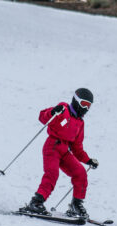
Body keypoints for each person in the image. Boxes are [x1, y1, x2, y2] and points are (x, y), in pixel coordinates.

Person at [25, 88, 99, 218]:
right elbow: (42, 116)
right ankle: (36, 202)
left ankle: (76, 205)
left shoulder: (80, 123)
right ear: (76, 101)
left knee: (80, 173)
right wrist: (53, 112)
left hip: (65, 151)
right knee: (52, 174)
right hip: (52, 146)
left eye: (89, 106)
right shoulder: (63, 109)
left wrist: (88, 160)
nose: (86, 109)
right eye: (84, 104)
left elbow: (77, 148)